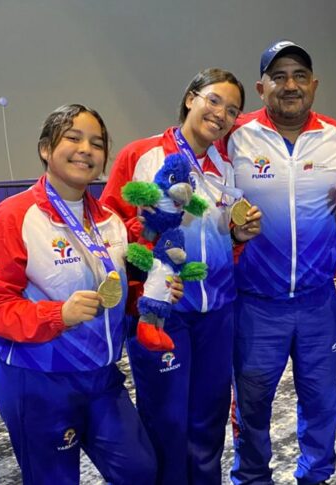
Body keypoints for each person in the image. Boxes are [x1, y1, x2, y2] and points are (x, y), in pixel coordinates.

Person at [0, 104, 160, 484]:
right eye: (73, 138)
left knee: (139, 470)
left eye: (97, 143)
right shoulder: (12, 218)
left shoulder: (109, 220)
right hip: (39, 378)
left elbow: (118, 297)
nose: (86, 149)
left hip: (101, 377)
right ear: (45, 149)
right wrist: (59, 315)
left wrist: (152, 295)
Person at [101, 69, 261, 484]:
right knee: (166, 422)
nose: (220, 114)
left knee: (208, 420)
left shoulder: (224, 167)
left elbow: (222, 238)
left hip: (218, 310)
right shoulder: (142, 155)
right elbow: (108, 231)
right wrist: (149, 244)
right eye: (213, 100)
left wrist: (238, 234)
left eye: (232, 110)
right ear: (191, 98)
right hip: (162, 311)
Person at [225, 40, 336, 485]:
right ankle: (251, 478)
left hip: (317, 301)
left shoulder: (335, 136)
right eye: (279, 76)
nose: (290, 85)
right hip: (254, 303)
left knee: (322, 404)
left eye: (300, 76)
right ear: (260, 86)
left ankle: (315, 476)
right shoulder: (236, 136)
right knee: (251, 406)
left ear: (314, 85)